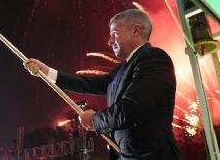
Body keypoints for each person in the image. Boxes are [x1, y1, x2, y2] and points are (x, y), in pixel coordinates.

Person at [24, 9, 182, 159]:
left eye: (115, 33)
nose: (109, 41)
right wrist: (48, 72)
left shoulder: (154, 58)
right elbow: (88, 84)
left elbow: (131, 109)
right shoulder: (122, 69)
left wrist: (95, 120)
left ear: (135, 31)